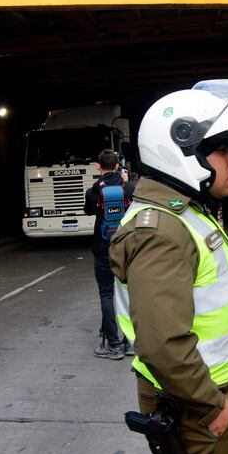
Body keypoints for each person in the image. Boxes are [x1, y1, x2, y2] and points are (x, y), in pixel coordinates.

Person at [109, 80, 228, 454]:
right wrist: (211, 404)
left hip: (201, 391)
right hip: (192, 404)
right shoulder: (161, 231)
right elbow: (161, 343)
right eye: (222, 149)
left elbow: (202, 298)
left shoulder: (188, 213)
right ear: (181, 149)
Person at [84, 149, 135, 360]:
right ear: (117, 166)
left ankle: (113, 346)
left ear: (99, 167)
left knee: (107, 295)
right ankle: (131, 343)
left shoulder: (93, 191)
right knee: (129, 293)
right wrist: (126, 182)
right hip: (127, 248)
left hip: (103, 247)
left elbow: (88, 211)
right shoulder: (129, 188)